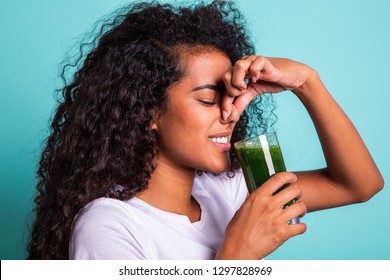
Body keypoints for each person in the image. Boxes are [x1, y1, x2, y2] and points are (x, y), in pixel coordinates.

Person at [27, 0, 383, 260]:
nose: (230, 113)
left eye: (232, 96)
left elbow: (357, 185)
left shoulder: (224, 192)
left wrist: (307, 81)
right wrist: (237, 255)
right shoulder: (109, 226)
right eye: (209, 99)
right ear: (146, 112)